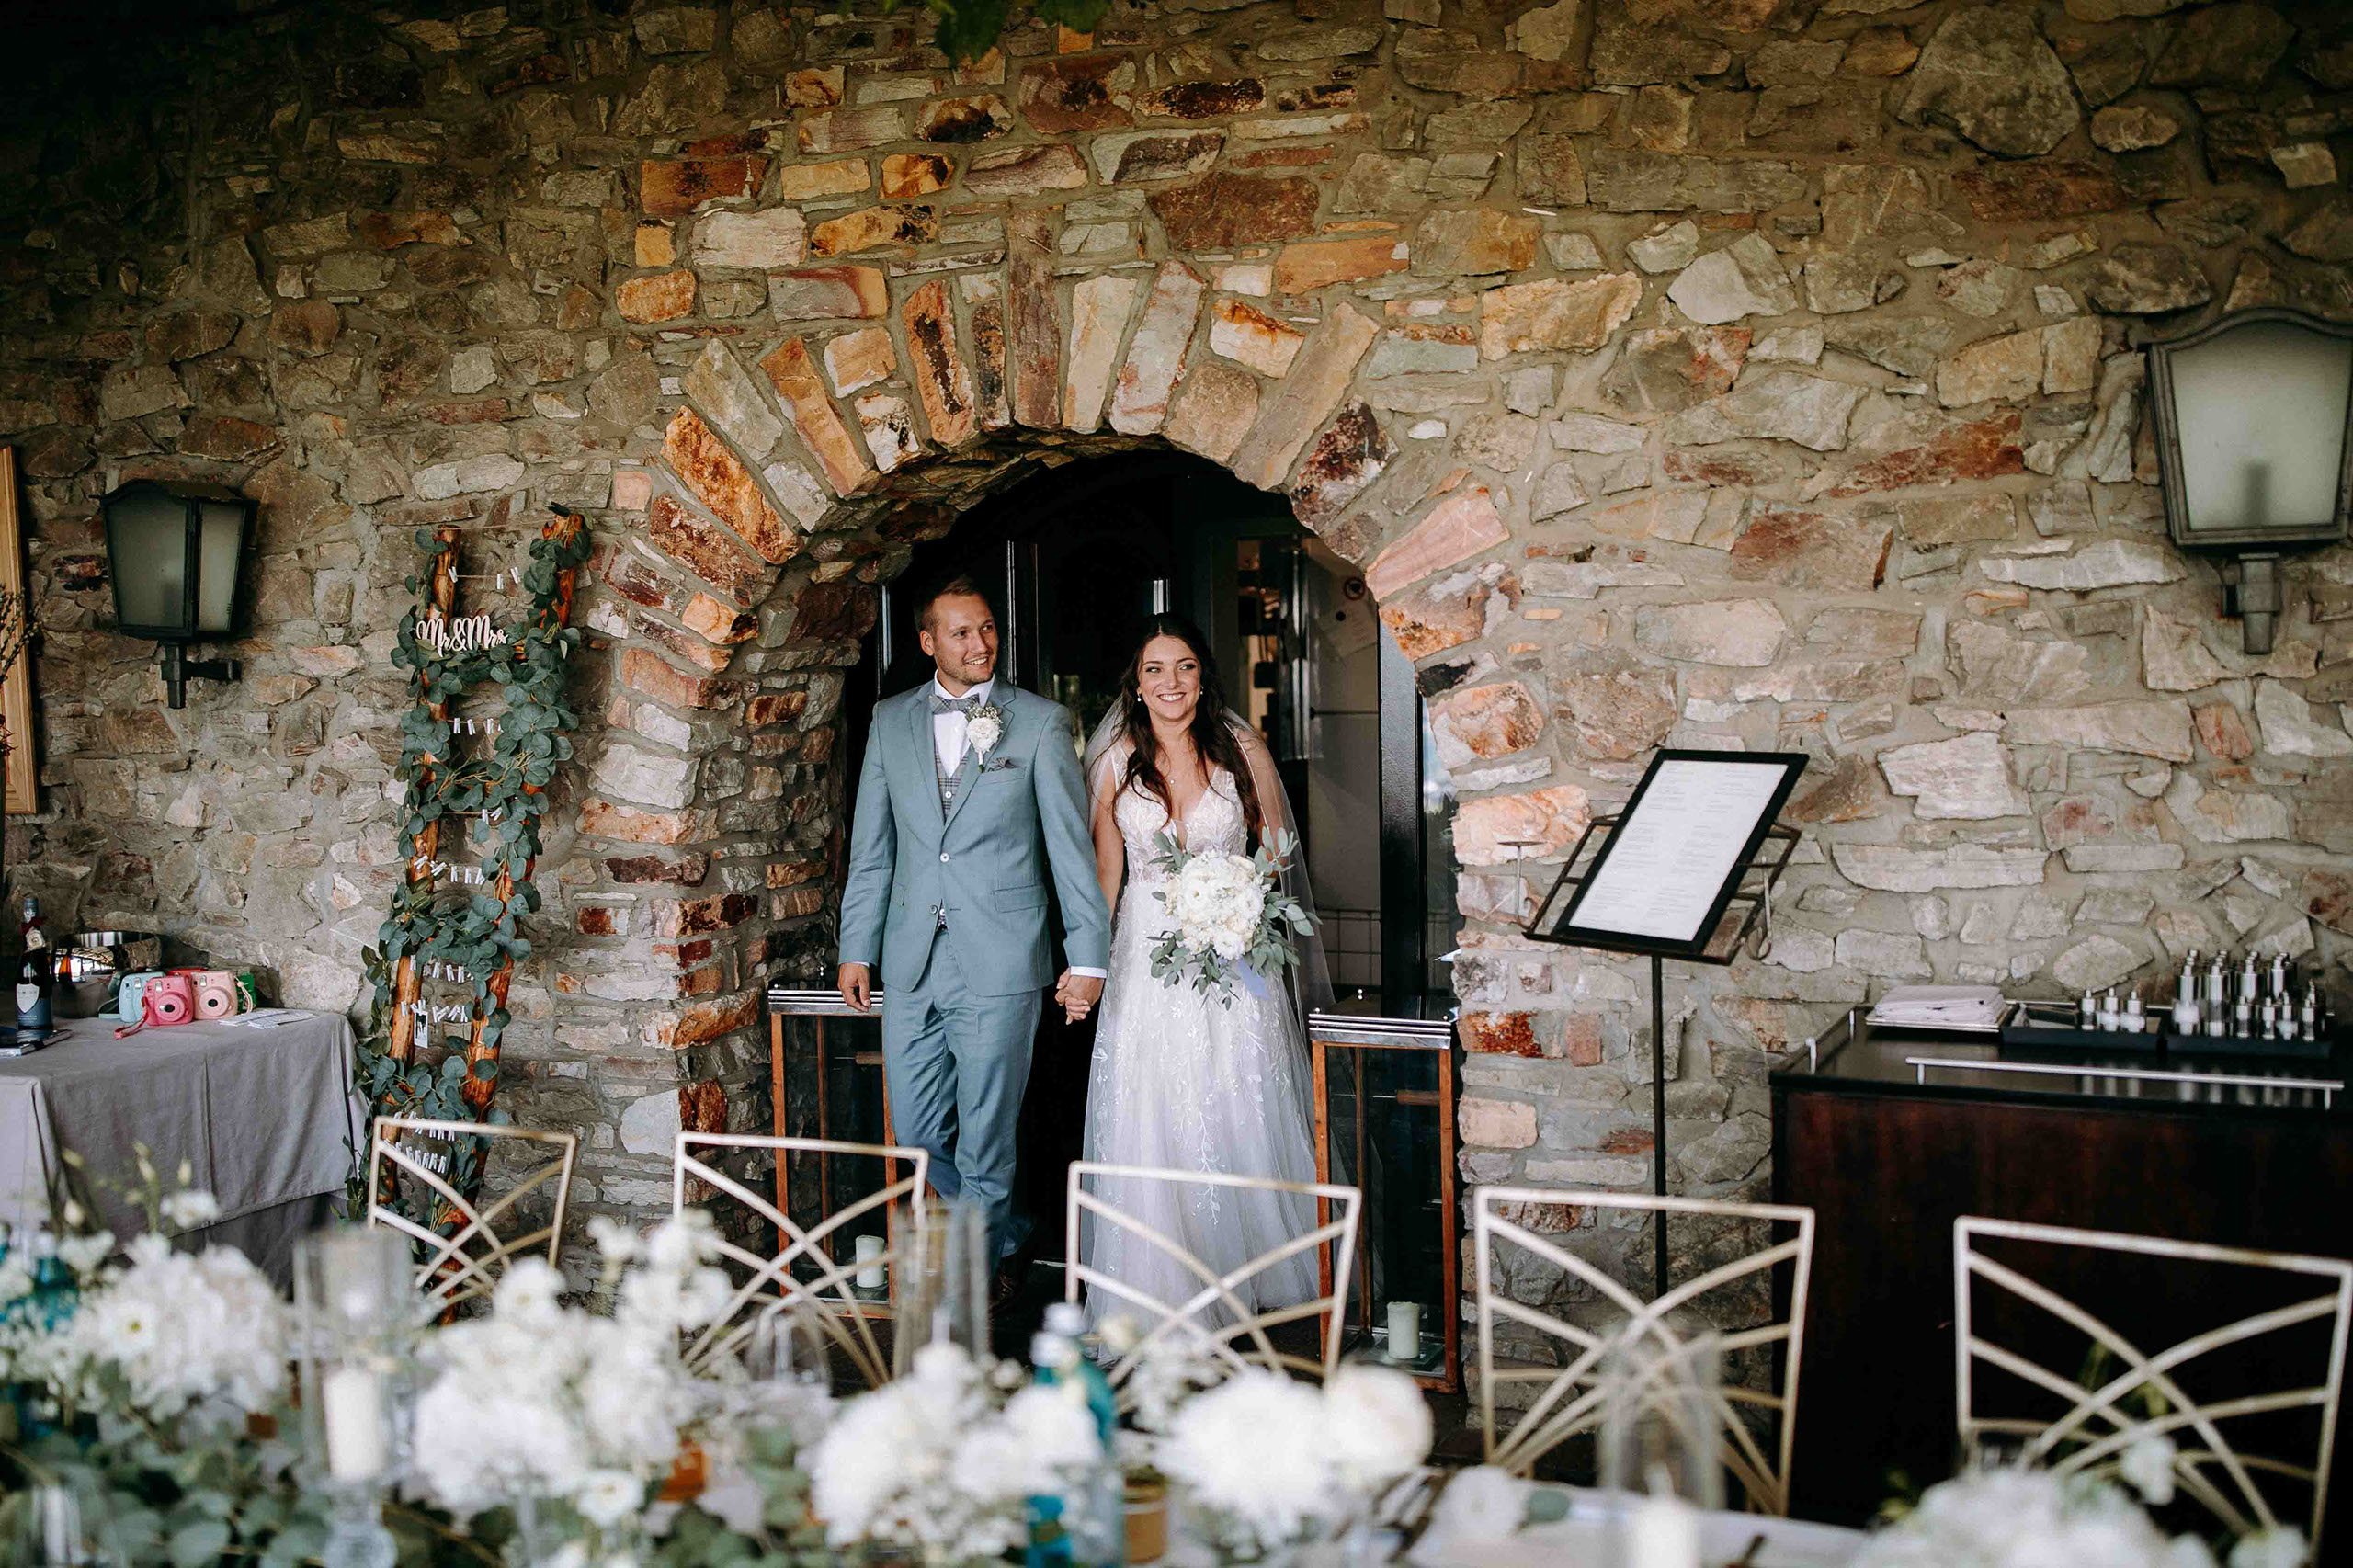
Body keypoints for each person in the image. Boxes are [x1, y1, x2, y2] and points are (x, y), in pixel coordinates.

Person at [837, 576, 1112, 1303]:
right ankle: (1007, 1233)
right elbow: (873, 848)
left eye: (987, 629)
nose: (980, 644)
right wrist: (855, 946)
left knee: (988, 1139)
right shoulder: (890, 720)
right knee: (919, 1137)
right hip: (910, 959)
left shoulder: (1041, 722)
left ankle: (968, 1283)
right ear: (928, 642)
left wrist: (1088, 955)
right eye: (961, 633)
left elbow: (1068, 851)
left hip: (1001, 958)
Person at [1077, 615, 1329, 1328]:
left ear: (1202, 677)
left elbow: (1276, 848)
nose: (1171, 683)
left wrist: (1240, 903)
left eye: (1184, 667)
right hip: (1145, 960)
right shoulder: (1113, 765)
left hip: (1234, 956)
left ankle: (1256, 1270)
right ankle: (1163, 1282)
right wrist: (1087, 964)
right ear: (1136, 682)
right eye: (1156, 669)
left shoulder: (1241, 748)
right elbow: (1106, 875)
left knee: (1236, 1091)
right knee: (1155, 1101)